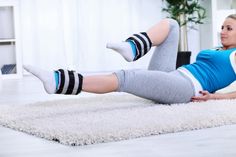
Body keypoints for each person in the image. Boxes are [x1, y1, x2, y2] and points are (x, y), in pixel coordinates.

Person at [24, 14, 236, 104]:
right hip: (173, 76)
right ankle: (133, 47)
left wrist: (215, 98)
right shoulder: (220, 48)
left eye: (229, 28)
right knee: (171, 24)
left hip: (186, 88)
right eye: (222, 27)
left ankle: (58, 81)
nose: (222, 31)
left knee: (127, 77)